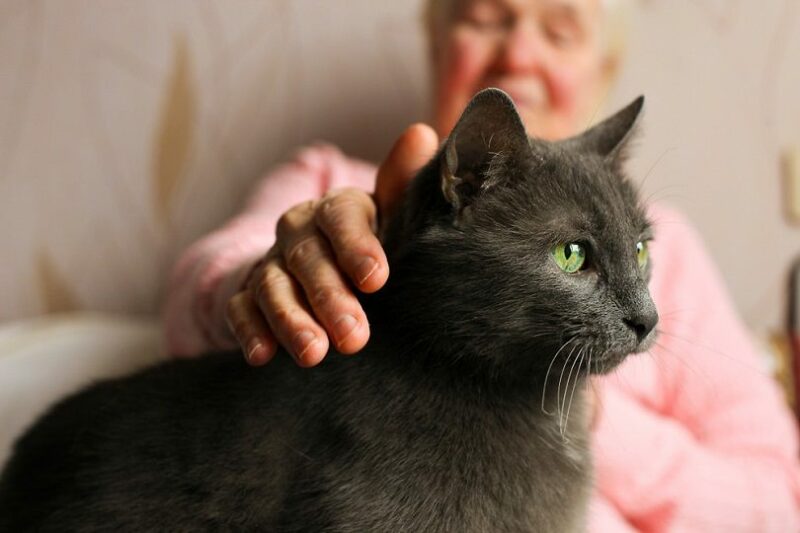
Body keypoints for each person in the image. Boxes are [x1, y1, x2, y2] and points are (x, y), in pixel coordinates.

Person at [163, 0, 800, 530]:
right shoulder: (328, 182)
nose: (520, 53)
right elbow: (204, 287)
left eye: (559, 30)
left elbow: (779, 495)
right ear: (438, 47)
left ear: (600, 71)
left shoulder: (668, 240)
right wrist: (272, 284)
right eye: (487, 18)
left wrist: (586, 411)